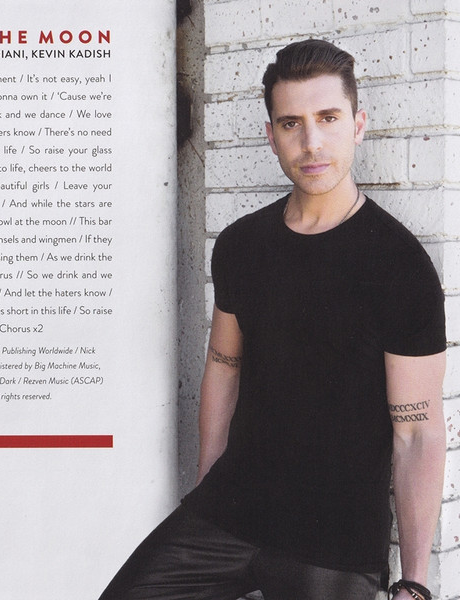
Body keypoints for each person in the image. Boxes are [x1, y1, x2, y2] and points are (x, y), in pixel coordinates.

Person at [98, 39, 447, 600]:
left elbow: (418, 434)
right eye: (291, 123)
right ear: (271, 135)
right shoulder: (241, 245)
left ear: (358, 125)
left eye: (328, 118)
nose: (312, 142)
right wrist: (206, 492)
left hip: (333, 543)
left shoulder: (398, 265)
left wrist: (414, 584)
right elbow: (223, 367)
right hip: (230, 514)